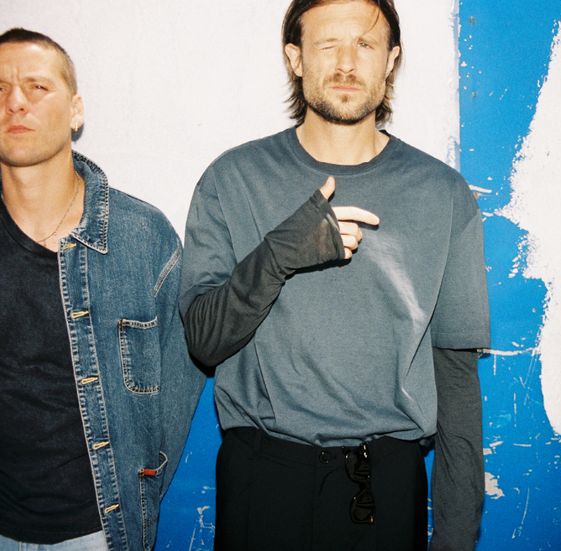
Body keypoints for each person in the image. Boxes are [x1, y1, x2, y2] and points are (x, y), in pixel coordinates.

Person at [180, 0, 490, 549]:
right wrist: (279, 254)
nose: (347, 62)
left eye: (365, 44)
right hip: (262, 480)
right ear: (295, 58)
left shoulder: (442, 194)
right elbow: (203, 341)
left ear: (391, 60)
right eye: (328, 44)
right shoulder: (233, 178)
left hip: (386, 483)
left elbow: (456, 376)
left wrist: (457, 534)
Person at [0, 28, 205, 551]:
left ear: (75, 111)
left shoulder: (142, 237)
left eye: (37, 86)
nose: (16, 101)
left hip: (99, 532)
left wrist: (142, 484)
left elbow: (182, 375)